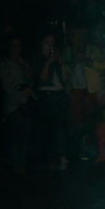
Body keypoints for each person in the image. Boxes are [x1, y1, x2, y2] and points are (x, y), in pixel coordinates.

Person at [0, 36, 34, 175]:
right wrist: (21, 98)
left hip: (26, 105)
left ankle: (22, 166)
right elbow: (6, 85)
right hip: (13, 105)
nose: (16, 48)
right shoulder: (3, 63)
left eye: (18, 45)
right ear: (7, 46)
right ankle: (15, 166)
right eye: (13, 45)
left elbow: (30, 83)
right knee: (14, 138)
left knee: (25, 137)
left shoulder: (23, 62)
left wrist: (30, 77)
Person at [34, 33, 70, 169]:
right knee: (49, 130)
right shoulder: (37, 58)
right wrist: (48, 61)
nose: (50, 46)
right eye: (47, 43)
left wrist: (62, 63)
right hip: (46, 97)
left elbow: (65, 79)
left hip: (60, 96)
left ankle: (62, 158)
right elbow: (41, 79)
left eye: (52, 44)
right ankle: (51, 159)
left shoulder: (58, 59)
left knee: (60, 128)